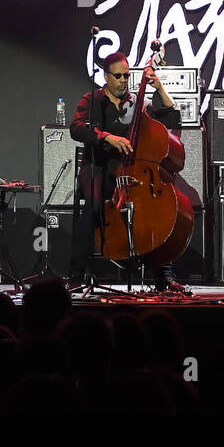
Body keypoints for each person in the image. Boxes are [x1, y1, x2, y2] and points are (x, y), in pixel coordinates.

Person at [69, 52, 186, 292]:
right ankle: (76, 274)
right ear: (106, 76)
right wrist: (106, 137)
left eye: (127, 75)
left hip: (133, 172)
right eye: (118, 76)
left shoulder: (136, 103)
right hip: (98, 168)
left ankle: (164, 275)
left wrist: (159, 88)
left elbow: (171, 118)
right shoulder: (92, 100)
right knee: (93, 206)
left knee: (153, 211)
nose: (123, 80)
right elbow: (76, 129)